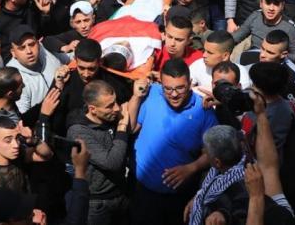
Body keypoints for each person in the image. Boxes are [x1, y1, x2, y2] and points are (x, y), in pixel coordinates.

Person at [129, 59, 216, 225]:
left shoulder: (204, 109)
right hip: (143, 193)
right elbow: (132, 128)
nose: (174, 94)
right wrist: (135, 97)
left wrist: (191, 168)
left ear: (190, 83)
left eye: (180, 88)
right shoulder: (152, 94)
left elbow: (212, 152)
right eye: (168, 89)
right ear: (161, 84)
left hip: (179, 200)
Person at [66, 80, 129, 225]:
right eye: (109, 106)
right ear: (92, 109)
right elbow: (112, 163)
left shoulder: (110, 116)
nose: (117, 108)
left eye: (115, 102)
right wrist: (122, 129)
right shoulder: (79, 131)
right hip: (97, 204)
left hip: (120, 195)